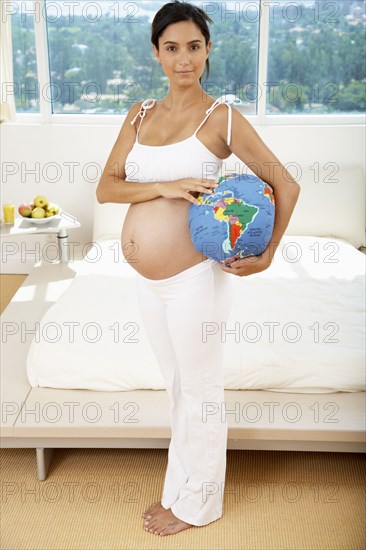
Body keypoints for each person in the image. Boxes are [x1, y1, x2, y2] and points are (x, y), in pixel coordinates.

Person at [96, 0, 301, 537]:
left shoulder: (222, 118)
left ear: (207, 52)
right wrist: (164, 186)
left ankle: (199, 505)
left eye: (193, 47)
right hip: (149, 281)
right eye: (171, 48)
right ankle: (178, 492)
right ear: (156, 55)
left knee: (201, 389)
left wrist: (271, 250)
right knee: (176, 387)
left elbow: (286, 184)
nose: (183, 59)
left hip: (193, 278)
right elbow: (106, 186)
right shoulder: (139, 114)